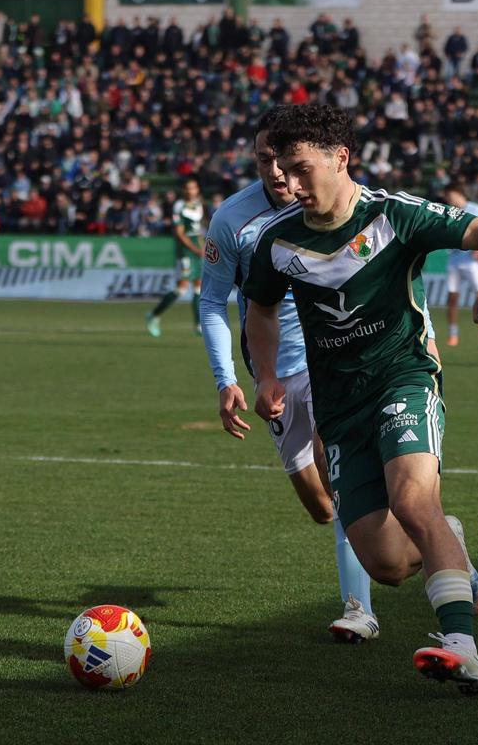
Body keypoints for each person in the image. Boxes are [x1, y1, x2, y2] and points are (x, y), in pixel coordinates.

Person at [243, 104, 478, 694]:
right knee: (388, 565)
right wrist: (264, 374)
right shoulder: (275, 241)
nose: (286, 183)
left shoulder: (394, 215)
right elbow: (261, 309)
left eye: (299, 168)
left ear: (341, 159)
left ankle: (461, 646)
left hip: (403, 378)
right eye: (278, 170)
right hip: (338, 409)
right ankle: (455, 546)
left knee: (414, 500)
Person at [198, 107, 381, 643]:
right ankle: (439, 542)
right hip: (271, 375)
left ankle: (358, 609)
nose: (276, 173)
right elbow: (212, 302)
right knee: (321, 506)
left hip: (338, 357)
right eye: (264, 160)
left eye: (284, 160)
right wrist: (227, 378)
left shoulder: (348, 201)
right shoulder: (233, 220)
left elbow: (392, 271)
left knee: (342, 477)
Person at [440, 183, 478, 348]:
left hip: (471, 263)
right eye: (447, 197)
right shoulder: (448, 212)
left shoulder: (477, 210)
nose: (448, 199)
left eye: (450, 196)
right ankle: (453, 334)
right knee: (452, 298)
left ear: (460, 194)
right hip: (454, 260)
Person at [146, 178, 204, 336]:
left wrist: (203, 246)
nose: (190, 191)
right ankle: (154, 315)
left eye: (193, 188)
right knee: (182, 288)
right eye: (187, 188)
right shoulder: (179, 206)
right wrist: (194, 249)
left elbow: (198, 230)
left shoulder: (198, 204)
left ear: (197, 190)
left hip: (196, 246)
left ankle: (198, 324)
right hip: (185, 249)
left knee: (199, 285)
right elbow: (179, 233)